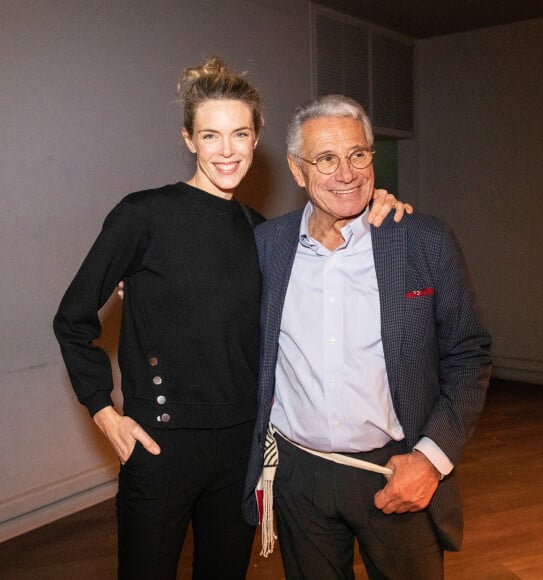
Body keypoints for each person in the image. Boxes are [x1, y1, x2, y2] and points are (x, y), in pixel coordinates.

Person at [53, 59, 409, 580]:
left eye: (239, 134)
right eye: (211, 135)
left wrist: (374, 203)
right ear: (189, 139)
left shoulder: (265, 235)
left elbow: (322, 252)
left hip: (242, 450)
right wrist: (104, 412)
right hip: (160, 445)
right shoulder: (142, 215)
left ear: (256, 138)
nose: (226, 150)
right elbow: (72, 318)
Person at [242, 94, 492, 579]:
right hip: (299, 477)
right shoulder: (267, 246)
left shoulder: (422, 239)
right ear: (297, 170)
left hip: (396, 473)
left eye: (358, 155)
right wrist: (141, 285)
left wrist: (430, 458)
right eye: (327, 159)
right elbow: (211, 300)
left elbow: (470, 354)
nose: (348, 173)